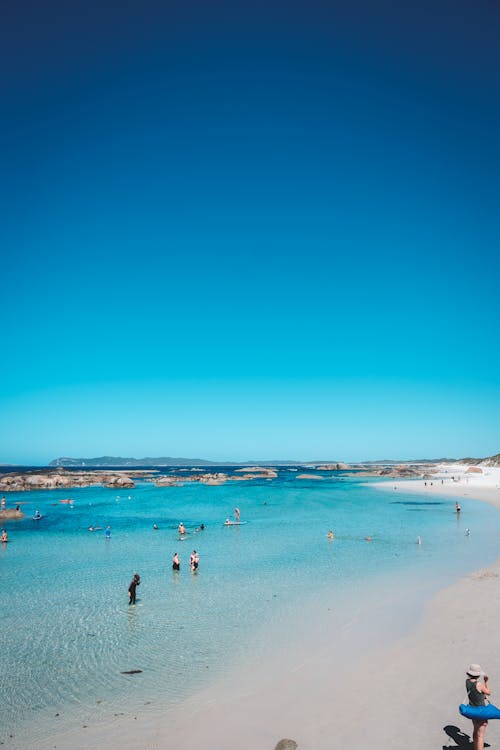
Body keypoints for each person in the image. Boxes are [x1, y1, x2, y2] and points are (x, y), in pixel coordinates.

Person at [465, 664, 491, 750]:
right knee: (481, 735)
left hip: (472, 710)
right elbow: (488, 692)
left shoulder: (467, 682)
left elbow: (474, 693)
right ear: (478, 674)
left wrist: (482, 696)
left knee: (476, 731)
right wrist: (486, 681)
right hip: (481, 712)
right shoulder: (479, 684)